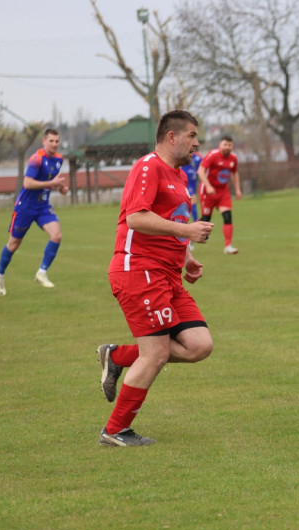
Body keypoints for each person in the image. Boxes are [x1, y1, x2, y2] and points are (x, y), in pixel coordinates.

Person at [96, 110, 214, 447]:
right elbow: (135, 218)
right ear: (171, 137)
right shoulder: (147, 167)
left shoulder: (179, 176)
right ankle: (115, 431)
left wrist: (187, 257)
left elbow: (169, 222)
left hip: (168, 275)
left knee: (199, 346)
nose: (197, 142)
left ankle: (117, 356)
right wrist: (187, 230)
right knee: (156, 354)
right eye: (192, 135)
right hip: (139, 273)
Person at [0, 128, 69, 295]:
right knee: (14, 243)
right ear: (44, 141)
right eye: (51, 141)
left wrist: (61, 187)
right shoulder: (37, 159)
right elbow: (27, 183)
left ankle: (41, 273)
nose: (54, 144)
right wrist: (51, 184)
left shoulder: (58, 159)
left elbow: (51, 180)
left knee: (56, 235)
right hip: (25, 206)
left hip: (42, 206)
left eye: (57, 141)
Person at [197, 135, 242, 254]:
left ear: (232, 146)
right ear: (220, 145)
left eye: (229, 145)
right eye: (225, 145)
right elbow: (200, 171)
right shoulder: (212, 155)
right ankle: (187, 234)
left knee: (227, 216)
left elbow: (234, 173)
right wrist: (208, 186)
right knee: (206, 220)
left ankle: (228, 246)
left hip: (223, 192)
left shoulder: (233, 158)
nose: (227, 147)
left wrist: (237, 189)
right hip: (208, 191)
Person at [181, 150, 203, 221]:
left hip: (194, 182)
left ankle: (183, 219)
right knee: (193, 199)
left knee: (188, 201)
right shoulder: (183, 156)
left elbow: (203, 166)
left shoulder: (198, 157)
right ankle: (196, 220)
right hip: (186, 181)